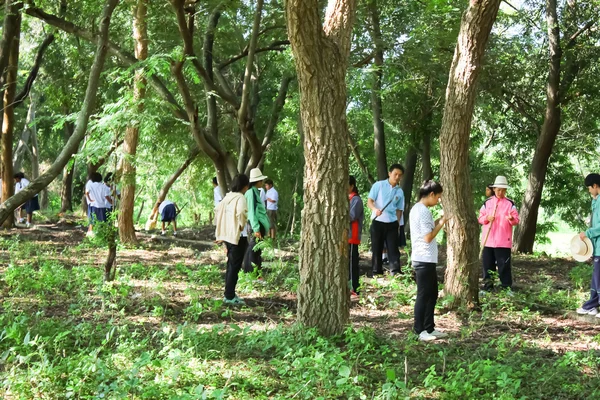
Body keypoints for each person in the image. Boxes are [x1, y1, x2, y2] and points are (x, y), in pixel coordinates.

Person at [410, 180, 450, 341]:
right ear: (431, 194)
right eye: (438, 197)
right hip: (423, 258)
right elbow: (428, 237)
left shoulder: (417, 209)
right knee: (424, 294)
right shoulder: (423, 211)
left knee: (432, 293)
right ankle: (419, 330)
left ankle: (429, 327)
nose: (438, 200)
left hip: (426, 258)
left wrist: (437, 222)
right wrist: (442, 222)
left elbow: (426, 229)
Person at [478, 175, 520, 292]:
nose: (500, 192)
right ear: (494, 189)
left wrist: (511, 218)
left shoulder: (510, 204)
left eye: (503, 190)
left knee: (504, 266)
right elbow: (480, 218)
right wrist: (487, 217)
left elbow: (516, 221)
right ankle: (487, 288)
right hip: (488, 241)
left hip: (503, 241)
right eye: (498, 190)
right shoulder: (487, 203)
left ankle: (506, 288)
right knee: (487, 266)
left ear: (505, 190)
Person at [215, 174, 250, 305]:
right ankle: (229, 296)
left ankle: (229, 293)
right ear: (245, 186)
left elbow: (217, 210)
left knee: (231, 264)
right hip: (238, 236)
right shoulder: (240, 197)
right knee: (235, 266)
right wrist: (241, 225)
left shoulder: (227, 197)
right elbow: (241, 212)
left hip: (227, 235)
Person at [368, 164, 405, 276]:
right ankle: (376, 272)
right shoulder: (378, 185)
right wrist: (375, 209)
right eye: (395, 174)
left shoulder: (400, 191)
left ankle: (395, 271)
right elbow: (369, 201)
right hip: (378, 221)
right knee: (377, 247)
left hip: (392, 222)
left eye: (400, 175)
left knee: (393, 248)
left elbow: (399, 209)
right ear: (389, 174)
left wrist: (398, 224)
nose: (397, 177)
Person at [576, 173, 600, 316]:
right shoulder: (596, 200)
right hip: (597, 246)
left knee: (598, 278)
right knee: (596, 277)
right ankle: (592, 305)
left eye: (589, 188)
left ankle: (590, 305)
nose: (589, 191)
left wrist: (588, 233)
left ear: (595, 186)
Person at [244, 168, 270, 274]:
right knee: (254, 249)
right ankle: (252, 272)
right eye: (261, 181)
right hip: (257, 224)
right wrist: (256, 228)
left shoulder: (255, 192)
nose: (262, 183)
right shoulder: (251, 193)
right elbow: (251, 212)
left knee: (256, 249)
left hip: (260, 224)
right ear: (257, 181)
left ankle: (255, 271)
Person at [348, 176, 364, 296]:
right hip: (345, 236)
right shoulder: (346, 198)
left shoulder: (356, 200)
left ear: (352, 186)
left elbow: (352, 216)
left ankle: (355, 287)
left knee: (352, 263)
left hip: (352, 236)